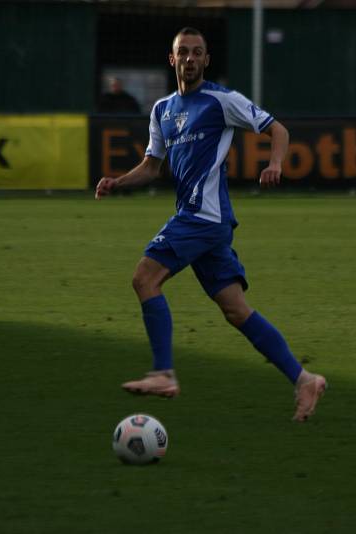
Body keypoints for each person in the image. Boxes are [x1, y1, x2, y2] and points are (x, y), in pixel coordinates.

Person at [95, 27, 326, 422]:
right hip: (203, 222)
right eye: (182, 52)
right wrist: (119, 182)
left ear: (206, 60)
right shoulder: (162, 110)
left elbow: (278, 130)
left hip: (203, 217)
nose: (189, 58)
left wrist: (275, 163)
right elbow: (152, 167)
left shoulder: (222, 100)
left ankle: (163, 372)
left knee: (144, 279)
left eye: (196, 52)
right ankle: (303, 378)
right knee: (236, 310)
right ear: (172, 60)